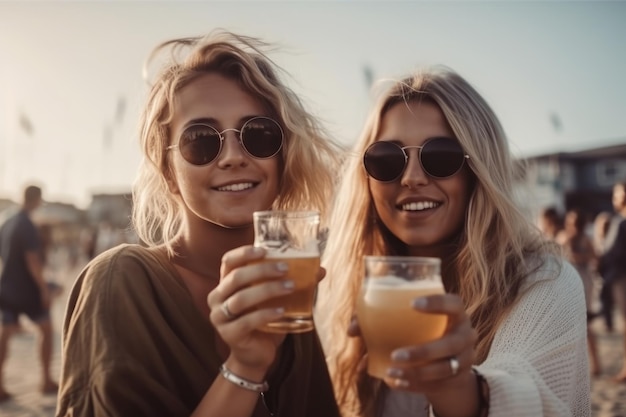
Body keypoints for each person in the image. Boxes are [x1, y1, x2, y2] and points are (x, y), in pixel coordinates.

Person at [56, 31, 342, 417]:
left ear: (282, 157)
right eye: (201, 140)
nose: (232, 157)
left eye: (257, 135)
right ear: (169, 171)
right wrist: (244, 367)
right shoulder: (122, 280)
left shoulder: (286, 289)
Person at [317, 66, 590, 416]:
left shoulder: (546, 282)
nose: (412, 177)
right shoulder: (344, 289)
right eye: (386, 159)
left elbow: (528, 391)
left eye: (440, 156)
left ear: (478, 169)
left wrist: (461, 391)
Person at [0, 185, 58, 402]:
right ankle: (45, 381)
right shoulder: (26, 224)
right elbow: (32, 260)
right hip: (26, 290)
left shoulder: (6, 221)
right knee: (46, 328)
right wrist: (44, 289)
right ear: (36, 200)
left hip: (6, 287)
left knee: (4, 334)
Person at [556, 209, 600, 376]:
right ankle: (576, 367)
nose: (572, 226)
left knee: (585, 324)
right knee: (570, 326)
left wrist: (577, 256)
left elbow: (595, 256)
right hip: (567, 283)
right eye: (570, 223)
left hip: (583, 282)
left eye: (575, 223)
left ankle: (596, 363)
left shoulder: (585, 238)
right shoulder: (563, 237)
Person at [598, 181, 626, 382]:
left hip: (621, 278)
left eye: (616, 195)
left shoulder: (620, 223)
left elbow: (609, 253)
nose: (613, 199)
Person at [593, 210, 614, 331]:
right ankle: (608, 322)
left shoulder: (616, 239)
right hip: (602, 274)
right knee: (604, 298)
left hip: (613, 273)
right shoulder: (597, 241)